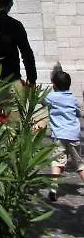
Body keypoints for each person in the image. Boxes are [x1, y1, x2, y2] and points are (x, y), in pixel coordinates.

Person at [42, 67, 84, 201]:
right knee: (79, 164)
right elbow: (78, 113)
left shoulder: (51, 97)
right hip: (73, 135)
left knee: (57, 162)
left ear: (53, 85)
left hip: (59, 135)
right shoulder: (73, 99)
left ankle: (54, 188)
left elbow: (41, 101)